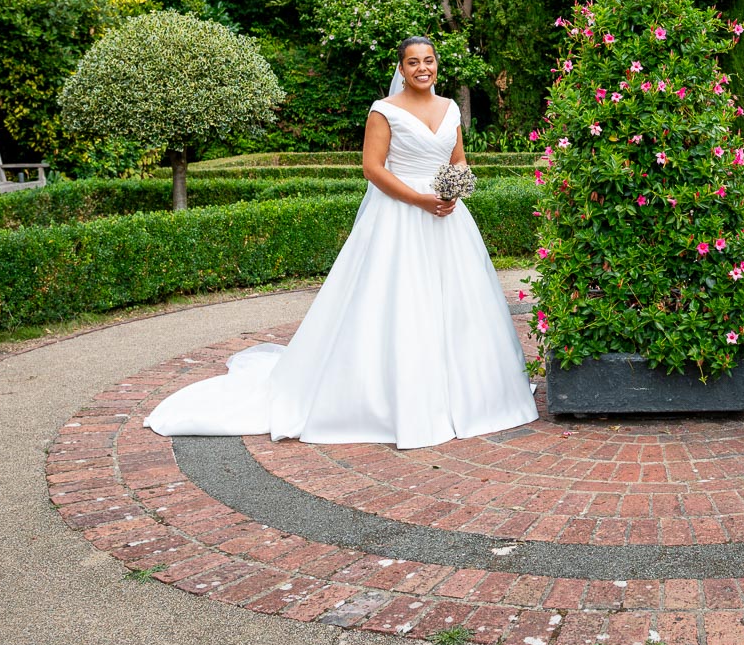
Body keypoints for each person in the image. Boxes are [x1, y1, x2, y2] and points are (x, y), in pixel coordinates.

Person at [144, 36, 539, 449]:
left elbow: (457, 159)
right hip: (402, 215)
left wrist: (454, 190)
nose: (423, 68)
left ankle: (470, 398)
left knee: (461, 306)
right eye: (413, 62)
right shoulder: (383, 111)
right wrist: (421, 199)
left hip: (447, 218)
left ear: (437, 65)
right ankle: (397, 403)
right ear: (400, 70)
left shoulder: (450, 108)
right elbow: (372, 169)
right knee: (402, 303)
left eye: (429, 60)